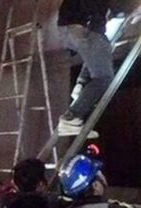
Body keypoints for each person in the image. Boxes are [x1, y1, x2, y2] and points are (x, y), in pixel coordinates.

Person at [56, 0, 114, 138]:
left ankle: (81, 85)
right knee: (104, 77)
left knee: (98, 53)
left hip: (67, 29)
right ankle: (71, 117)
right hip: (82, 28)